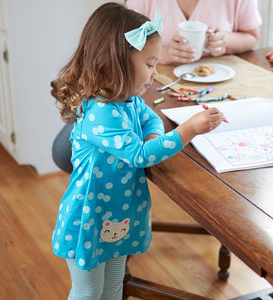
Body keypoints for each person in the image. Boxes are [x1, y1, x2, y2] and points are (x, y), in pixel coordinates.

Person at [50, 3, 225, 299]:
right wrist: (189, 129)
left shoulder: (127, 98)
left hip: (117, 215)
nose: (155, 75)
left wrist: (156, 134)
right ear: (114, 63)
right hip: (89, 219)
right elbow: (141, 155)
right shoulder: (102, 113)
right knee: (89, 292)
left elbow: (149, 117)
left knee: (114, 285)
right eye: (149, 64)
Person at [126, 0, 262, 65]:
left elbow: (252, 36)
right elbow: (126, 46)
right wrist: (164, 54)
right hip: (155, 81)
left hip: (220, 80)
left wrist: (225, 40)